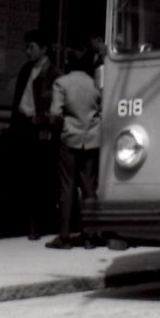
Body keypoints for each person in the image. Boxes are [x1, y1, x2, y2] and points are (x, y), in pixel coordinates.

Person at [46, 48, 101, 249]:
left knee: (67, 187)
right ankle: (90, 237)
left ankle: (65, 236)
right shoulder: (95, 83)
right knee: (89, 189)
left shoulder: (62, 83)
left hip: (70, 139)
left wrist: (58, 128)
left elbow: (55, 114)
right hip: (93, 139)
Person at [11, 29, 59, 240]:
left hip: (41, 130)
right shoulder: (25, 70)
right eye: (27, 47)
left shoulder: (54, 74)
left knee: (40, 178)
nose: (27, 51)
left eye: (31, 47)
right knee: (25, 176)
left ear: (44, 49)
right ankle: (25, 222)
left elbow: (54, 108)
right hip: (24, 126)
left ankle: (38, 224)